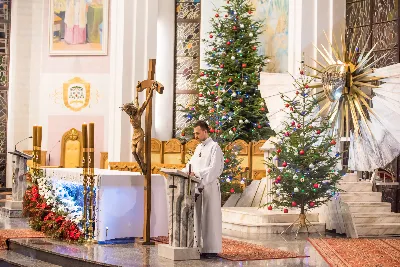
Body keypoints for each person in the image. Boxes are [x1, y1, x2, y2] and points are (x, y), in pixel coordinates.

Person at [183, 120, 224, 258]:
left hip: (209, 186)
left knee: (209, 217)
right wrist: (184, 171)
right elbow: (191, 164)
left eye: (197, 133)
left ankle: (211, 248)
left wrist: (198, 174)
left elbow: (214, 168)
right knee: (199, 217)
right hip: (198, 186)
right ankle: (200, 246)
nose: (195, 136)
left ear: (205, 131)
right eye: (194, 133)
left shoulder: (214, 147)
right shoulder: (199, 148)